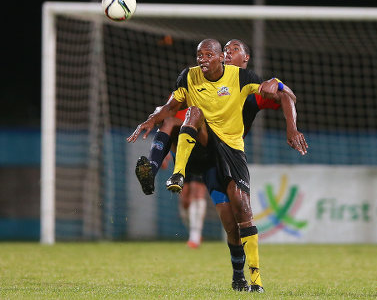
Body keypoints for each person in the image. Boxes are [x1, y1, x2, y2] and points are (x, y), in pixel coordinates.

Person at [127, 39, 308, 292]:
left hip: (229, 153)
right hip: (200, 140)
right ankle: (161, 174)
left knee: (234, 220)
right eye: (226, 49)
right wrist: (152, 118)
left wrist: (277, 84)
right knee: (173, 118)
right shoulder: (194, 77)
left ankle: (243, 278)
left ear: (244, 59)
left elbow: (287, 96)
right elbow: (169, 106)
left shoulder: (247, 85)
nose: (228, 52)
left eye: (234, 50)